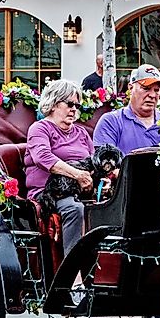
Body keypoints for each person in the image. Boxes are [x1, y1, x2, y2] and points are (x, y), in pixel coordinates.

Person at [25, 79, 97, 253]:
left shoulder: (81, 132)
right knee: (74, 209)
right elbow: (43, 157)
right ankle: (73, 274)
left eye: (77, 105)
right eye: (69, 104)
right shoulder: (39, 128)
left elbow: (94, 160)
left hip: (79, 191)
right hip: (50, 192)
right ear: (54, 103)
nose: (74, 109)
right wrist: (77, 175)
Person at [94, 65, 160, 154]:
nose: (152, 95)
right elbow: (105, 164)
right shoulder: (111, 121)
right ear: (130, 88)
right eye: (146, 88)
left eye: (156, 90)